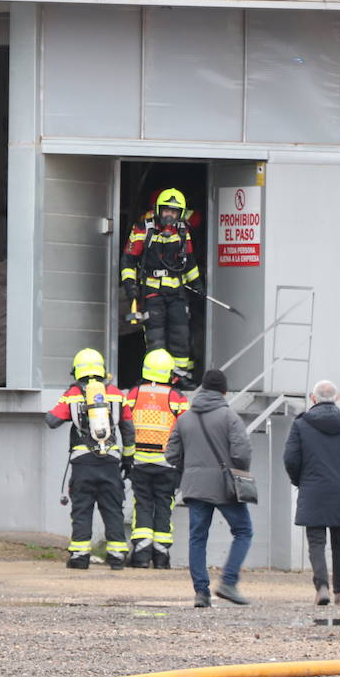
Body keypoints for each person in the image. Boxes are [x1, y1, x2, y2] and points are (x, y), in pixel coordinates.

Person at [283, 379, 340, 607]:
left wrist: (299, 481)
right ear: (337, 398)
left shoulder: (301, 425)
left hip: (312, 489)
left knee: (316, 541)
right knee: (339, 541)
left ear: (313, 399)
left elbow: (290, 458)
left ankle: (322, 587)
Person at [165, 368, 253, 607]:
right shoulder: (230, 417)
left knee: (197, 538)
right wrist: (238, 471)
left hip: (194, 487)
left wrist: (191, 468)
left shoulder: (184, 418)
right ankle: (228, 581)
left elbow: (171, 454)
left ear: (202, 389)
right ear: (224, 392)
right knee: (243, 531)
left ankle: (201, 593)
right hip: (225, 486)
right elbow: (242, 453)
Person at [45, 348, 135, 570]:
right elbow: (128, 428)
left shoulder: (73, 394)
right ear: (102, 369)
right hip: (111, 462)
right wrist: (127, 459)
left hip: (83, 464)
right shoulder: (115, 393)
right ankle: (116, 556)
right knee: (113, 508)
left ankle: (79, 556)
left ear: (77, 370)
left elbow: (52, 420)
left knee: (82, 509)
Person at [120, 187, 202, 382]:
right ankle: (154, 377)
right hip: (152, 291)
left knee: (180, 334)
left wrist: (197, 284)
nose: (169, 215)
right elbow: (128, 261)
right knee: (155, 336)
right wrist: (130, 286)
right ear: (158, 210)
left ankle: (180, 376)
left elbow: (189, 262)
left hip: (177, 293)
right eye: (166, 210)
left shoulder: (182, 232)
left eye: (174, 212)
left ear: (180, 213)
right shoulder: (143, 229)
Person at [123, 348, 190, 569]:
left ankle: (141, 556)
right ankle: (161, 557)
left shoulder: (134, 394)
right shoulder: (177, 398)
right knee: (164, 504)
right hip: (167, 464)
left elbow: (123, 421)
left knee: (142, 503)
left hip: (139, 461)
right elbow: (187, 428)